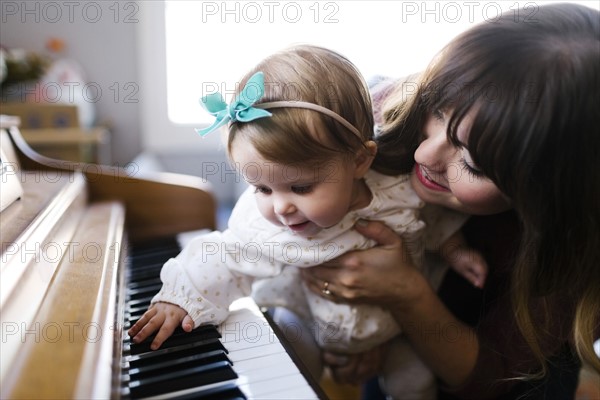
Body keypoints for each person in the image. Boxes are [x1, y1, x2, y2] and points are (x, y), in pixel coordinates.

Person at [127, 45, 488, 398]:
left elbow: (432, 221)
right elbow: (223, 256)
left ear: (360, 161)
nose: (281, 208)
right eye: (262, 188)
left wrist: (455, 250)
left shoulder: (397, 189)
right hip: (312, 326)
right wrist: (179, 298)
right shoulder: (271, 230)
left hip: (395, 331)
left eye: (300, 186)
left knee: (415, 380)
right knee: (288, 352)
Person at [301, 3, 600, 399]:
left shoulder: (567, 251)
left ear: (545, 195)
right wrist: (356, 336)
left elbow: (490, 380)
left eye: (473, 164)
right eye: (437, 110)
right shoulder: (381, 113)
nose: (425, 155)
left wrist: (406, 294)